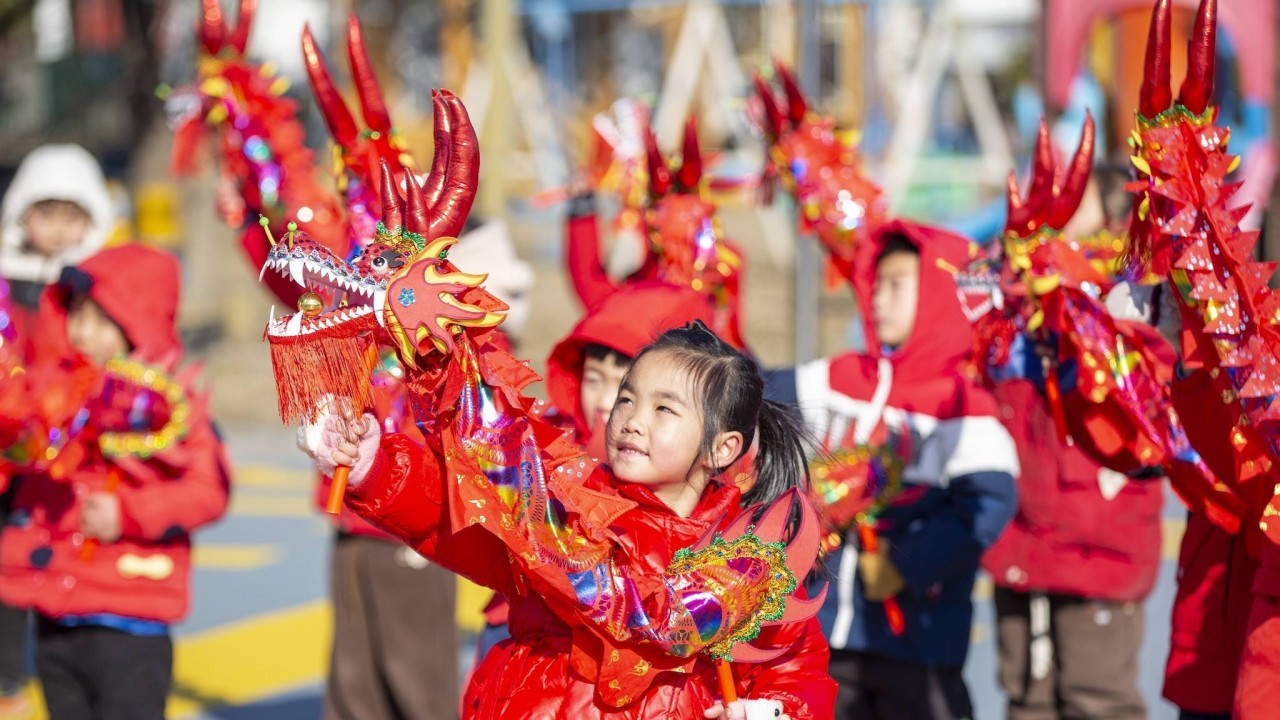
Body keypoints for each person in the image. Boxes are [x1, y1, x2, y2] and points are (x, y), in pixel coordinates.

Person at [309, 321, 837, 719]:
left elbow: (796, 668)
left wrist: (772, 709)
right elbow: (464, 523)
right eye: (628, 398)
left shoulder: (748, 556)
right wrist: (375, 467)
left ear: (723, 447)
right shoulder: (563, 500)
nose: (629, 418)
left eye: (664, 410)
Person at [767, 220, 1019, 720]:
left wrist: (907, 565)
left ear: (941, 295)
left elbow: (990, 501)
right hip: (826, 631)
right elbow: (759, 394)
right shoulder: (841, 375)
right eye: (875, 284)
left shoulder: (960, 402)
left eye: (898, 286)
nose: (878, 298)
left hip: (916, 640)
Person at [0, 243, 230, 719]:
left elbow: (209, 491)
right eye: (76, 316)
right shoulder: (51, 391)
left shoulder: (168, 404)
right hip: (55, 608)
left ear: (139, 323)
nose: (82, 333)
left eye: (101, 321)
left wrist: (127, 514)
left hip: (130, 620)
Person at [0, 143, 115, 718]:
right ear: (22, 214)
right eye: (46, 214)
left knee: (48, 559)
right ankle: (8, 682)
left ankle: (41, 671)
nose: (58, 229)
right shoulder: (5, 276)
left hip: (64, 447)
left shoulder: (93, 285)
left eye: (73, 216)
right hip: (7, 441)